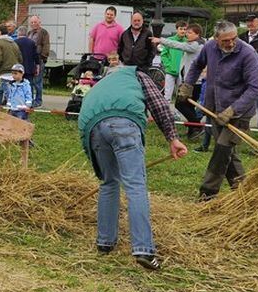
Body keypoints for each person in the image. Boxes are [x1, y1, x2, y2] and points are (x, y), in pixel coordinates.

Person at [78, 63, 188, 271]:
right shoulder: (137, 75)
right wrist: (173, 139)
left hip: (93, 127)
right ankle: (144, 250)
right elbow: (159, 105)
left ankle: (105, 242)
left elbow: (84, 122)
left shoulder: (103, 83)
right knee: (135, 185)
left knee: (109, 182)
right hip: (123, 124)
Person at [179, 21, 258, 201]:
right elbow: (196, 65)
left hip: (239, 113)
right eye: (225, 41)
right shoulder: (209, 47)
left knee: (222, 150)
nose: (231, 43)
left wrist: (233, 110)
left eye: (234, 38)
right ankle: (245, 194)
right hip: (215, 109)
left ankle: (207, 194)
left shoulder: (248, 54)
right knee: (229, 155)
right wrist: (188, 84)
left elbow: (255, 89)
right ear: (216, 39)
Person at [152, 23, 206, 139]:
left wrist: (160, 40)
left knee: (180, 104)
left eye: (190, 32)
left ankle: (198, 126)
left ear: (197, 34)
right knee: (189, 106)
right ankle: (193, 132)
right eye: (187, 32)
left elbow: (177, 45)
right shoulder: (194, 43)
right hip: (190, 81)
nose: (187, 34)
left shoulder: (196, 45)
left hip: (194, 83)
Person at [156, 20, 188, 102]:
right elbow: (163, 54)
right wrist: (168, 65)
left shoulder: (187, 42)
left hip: (182, 73)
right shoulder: (170, 40)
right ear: (177, 29)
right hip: (170, 71)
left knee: (181, 96)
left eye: (185, 29)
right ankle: (166, 113)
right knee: (167, 95)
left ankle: (177, 113)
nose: (183, 31)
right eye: (181, 29)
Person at [0, 23, 21, 106]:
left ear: (0, 32)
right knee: (0, 91)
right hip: (14, 71)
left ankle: (12, 110)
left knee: (9, 94)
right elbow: (20, 58)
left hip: (5, 72)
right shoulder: (14, 43)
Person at [27, 15, 50, 108]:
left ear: (39, 22)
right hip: (30, 60)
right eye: (31, 22)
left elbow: (46, 45)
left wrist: (43, 57)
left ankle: (38, 100)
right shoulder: (29, 33)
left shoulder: (44, 32)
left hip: (39, 60)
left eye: (35, 22)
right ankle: (31, 99)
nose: (33, 24)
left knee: (37, 81)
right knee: (30, 81)